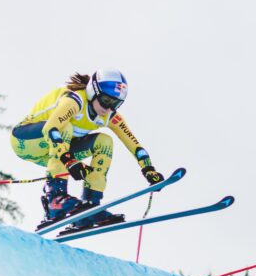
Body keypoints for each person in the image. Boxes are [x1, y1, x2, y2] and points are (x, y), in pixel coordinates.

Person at [10, 69, 164, 230]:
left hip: (55, 153)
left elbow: (135, 145)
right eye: (105, 100)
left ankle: (90, 206)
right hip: (25, 141)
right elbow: (51, 128)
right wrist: (69, 160)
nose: (108, 108)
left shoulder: (109, 115)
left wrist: (148, 169)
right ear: (92, 91)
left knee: (105, 141)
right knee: (65, 127)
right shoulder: (75, 101)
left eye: (115, 104)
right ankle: (55, 198)